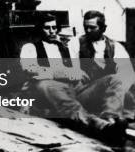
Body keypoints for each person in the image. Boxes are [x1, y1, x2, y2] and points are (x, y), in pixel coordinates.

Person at [20, 11, 133, 144]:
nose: (51, 31)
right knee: (47, 85)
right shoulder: (30, 47)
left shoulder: (65, 47)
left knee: (113, 79)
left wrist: (75, 73)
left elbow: (77, 71)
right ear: (39, 29)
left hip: (72, 91)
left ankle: (111, 120)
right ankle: (100, 127)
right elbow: (31, 69)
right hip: (48, 92)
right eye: (47, 28)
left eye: (54, 28)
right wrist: (66, 73)